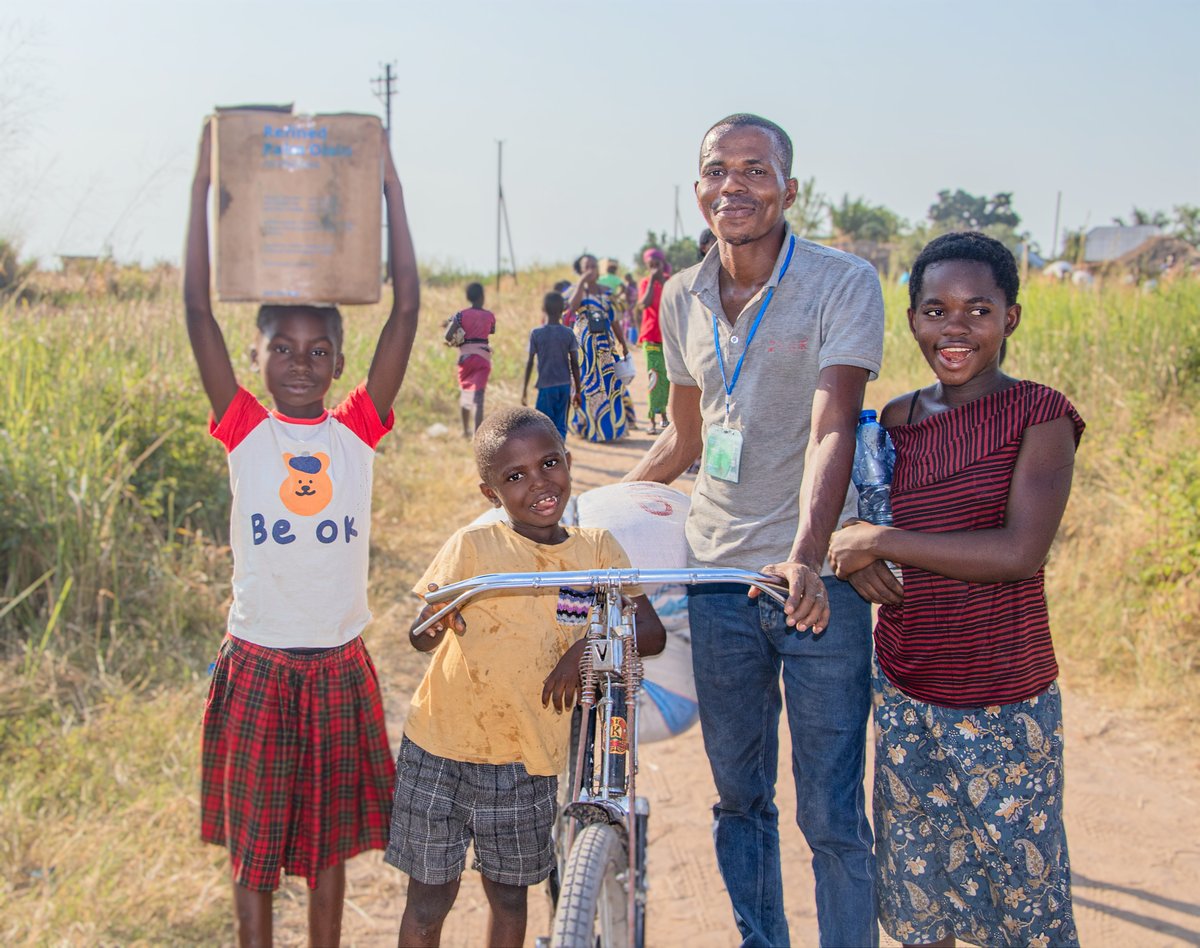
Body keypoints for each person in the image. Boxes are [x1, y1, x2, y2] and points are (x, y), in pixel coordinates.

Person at [627, 113, 884, 947]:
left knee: (831, 815)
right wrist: (590, 521)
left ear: (790, 188)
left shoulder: (843, 284)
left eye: (755, 169)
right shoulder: (679, 295)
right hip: (715, 585)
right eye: (716, 170)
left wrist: (806, 560)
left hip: (818, 588)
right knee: (740, 798)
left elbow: (833, 427)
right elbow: (688, 438)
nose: (733, 185)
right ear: (697, 187)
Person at [184, 120, 419, 946]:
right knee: (251, 856)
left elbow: (408, 310)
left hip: (337, 668)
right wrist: (201, 186)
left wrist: (388, 184)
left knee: (326, 854)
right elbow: (197, 310)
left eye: (318, 351)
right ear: (256, 358)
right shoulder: (245, 429)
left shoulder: (356, 430)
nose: (299, 362)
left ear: (339, 364)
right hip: (257, 662)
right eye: (281, 347)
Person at [829, 232, 1083, 948]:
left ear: (1012, 318)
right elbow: (857, 518)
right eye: (936, 310)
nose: (955, 328)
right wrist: (853, 550)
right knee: (922, 897)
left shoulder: (1042, 416)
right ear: (911, 320)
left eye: (977, 310)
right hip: (909, 690)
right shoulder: (893, 422)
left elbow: (1017, 552)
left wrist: (877, 543)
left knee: (1024, 900)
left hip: (1006, 696)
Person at [386, 407, 665, 947]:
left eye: (549, 463)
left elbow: (649, 633)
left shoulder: (597, 551)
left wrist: (587, 647)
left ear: (569, 461)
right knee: (427, 897)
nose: (538, 483)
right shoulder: (473, 549)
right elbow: (421, 637)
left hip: (529, 758)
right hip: (439, 745)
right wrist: (432, 623)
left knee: (510, 896)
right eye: (515, 477)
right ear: (490, 493)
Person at [566, 253, 632, 441]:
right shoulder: (575, 290)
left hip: (605, 345)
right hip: (584, 347)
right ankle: (588, 428)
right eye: (587, 267)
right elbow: (571, 307)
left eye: (594, 266)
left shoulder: (606, 292)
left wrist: (623, 343)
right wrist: (581, 283)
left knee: (611, 384)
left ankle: (610, 430)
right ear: (580, 270)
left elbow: (614, 320)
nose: (591, 270)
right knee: (587, 385)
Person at [523, 291, 583, 439]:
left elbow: (530, 362)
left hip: (546, 386)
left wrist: (524, 389)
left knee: (543, 426)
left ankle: (549, 457)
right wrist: (578, 391)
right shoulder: (568, 333)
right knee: (560, 426)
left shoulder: (536, 333)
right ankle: (560, 452)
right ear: (563, 309)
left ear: (543, 309)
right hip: (564, 385)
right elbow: (575, 364)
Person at [453, 282, 496, 439]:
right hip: (483, 358)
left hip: (465, 358)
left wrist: (456, 339)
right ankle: (478, 435)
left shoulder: (460, 315)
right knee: (478, 398)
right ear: (482, 297)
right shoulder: (489, 316)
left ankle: (465, 431)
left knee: (465, 394)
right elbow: (492, 330)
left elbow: (448, 335)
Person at [637, 247, 671, 434]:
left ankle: (664, 415)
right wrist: (652, 280)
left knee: (666, 380)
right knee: (653, 377)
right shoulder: (645, 283)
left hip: (667, 338)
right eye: (650, 265)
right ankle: (651, 417)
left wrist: (663, 281)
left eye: (656, 265)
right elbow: (644, 303)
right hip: (650, 338)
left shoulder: (669, 282)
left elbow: (674, 302)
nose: (654, 268)